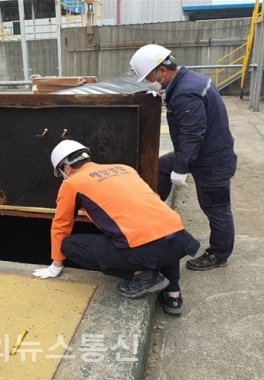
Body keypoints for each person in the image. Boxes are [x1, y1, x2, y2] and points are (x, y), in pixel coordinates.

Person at [32, 140, 200, 315]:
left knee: (70, 245)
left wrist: (56, 265)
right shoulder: (125, 168)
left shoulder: (71, 184)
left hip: (148, 249)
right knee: (161, 230)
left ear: (66, 169)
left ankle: (143, 275)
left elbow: (61, 225)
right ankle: (173, 296)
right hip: (180, 240)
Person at [130, 44, 238, 270]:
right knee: (159, 167)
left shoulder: (186, 93)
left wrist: (180, 168)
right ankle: (156, 215)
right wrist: (161, 93)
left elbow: (192, 134)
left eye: (149, 77)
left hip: (212, 160)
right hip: (205, 152)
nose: (149, 81)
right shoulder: (190, 81)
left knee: (215, 208)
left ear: (161, 71)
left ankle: (219, 254)